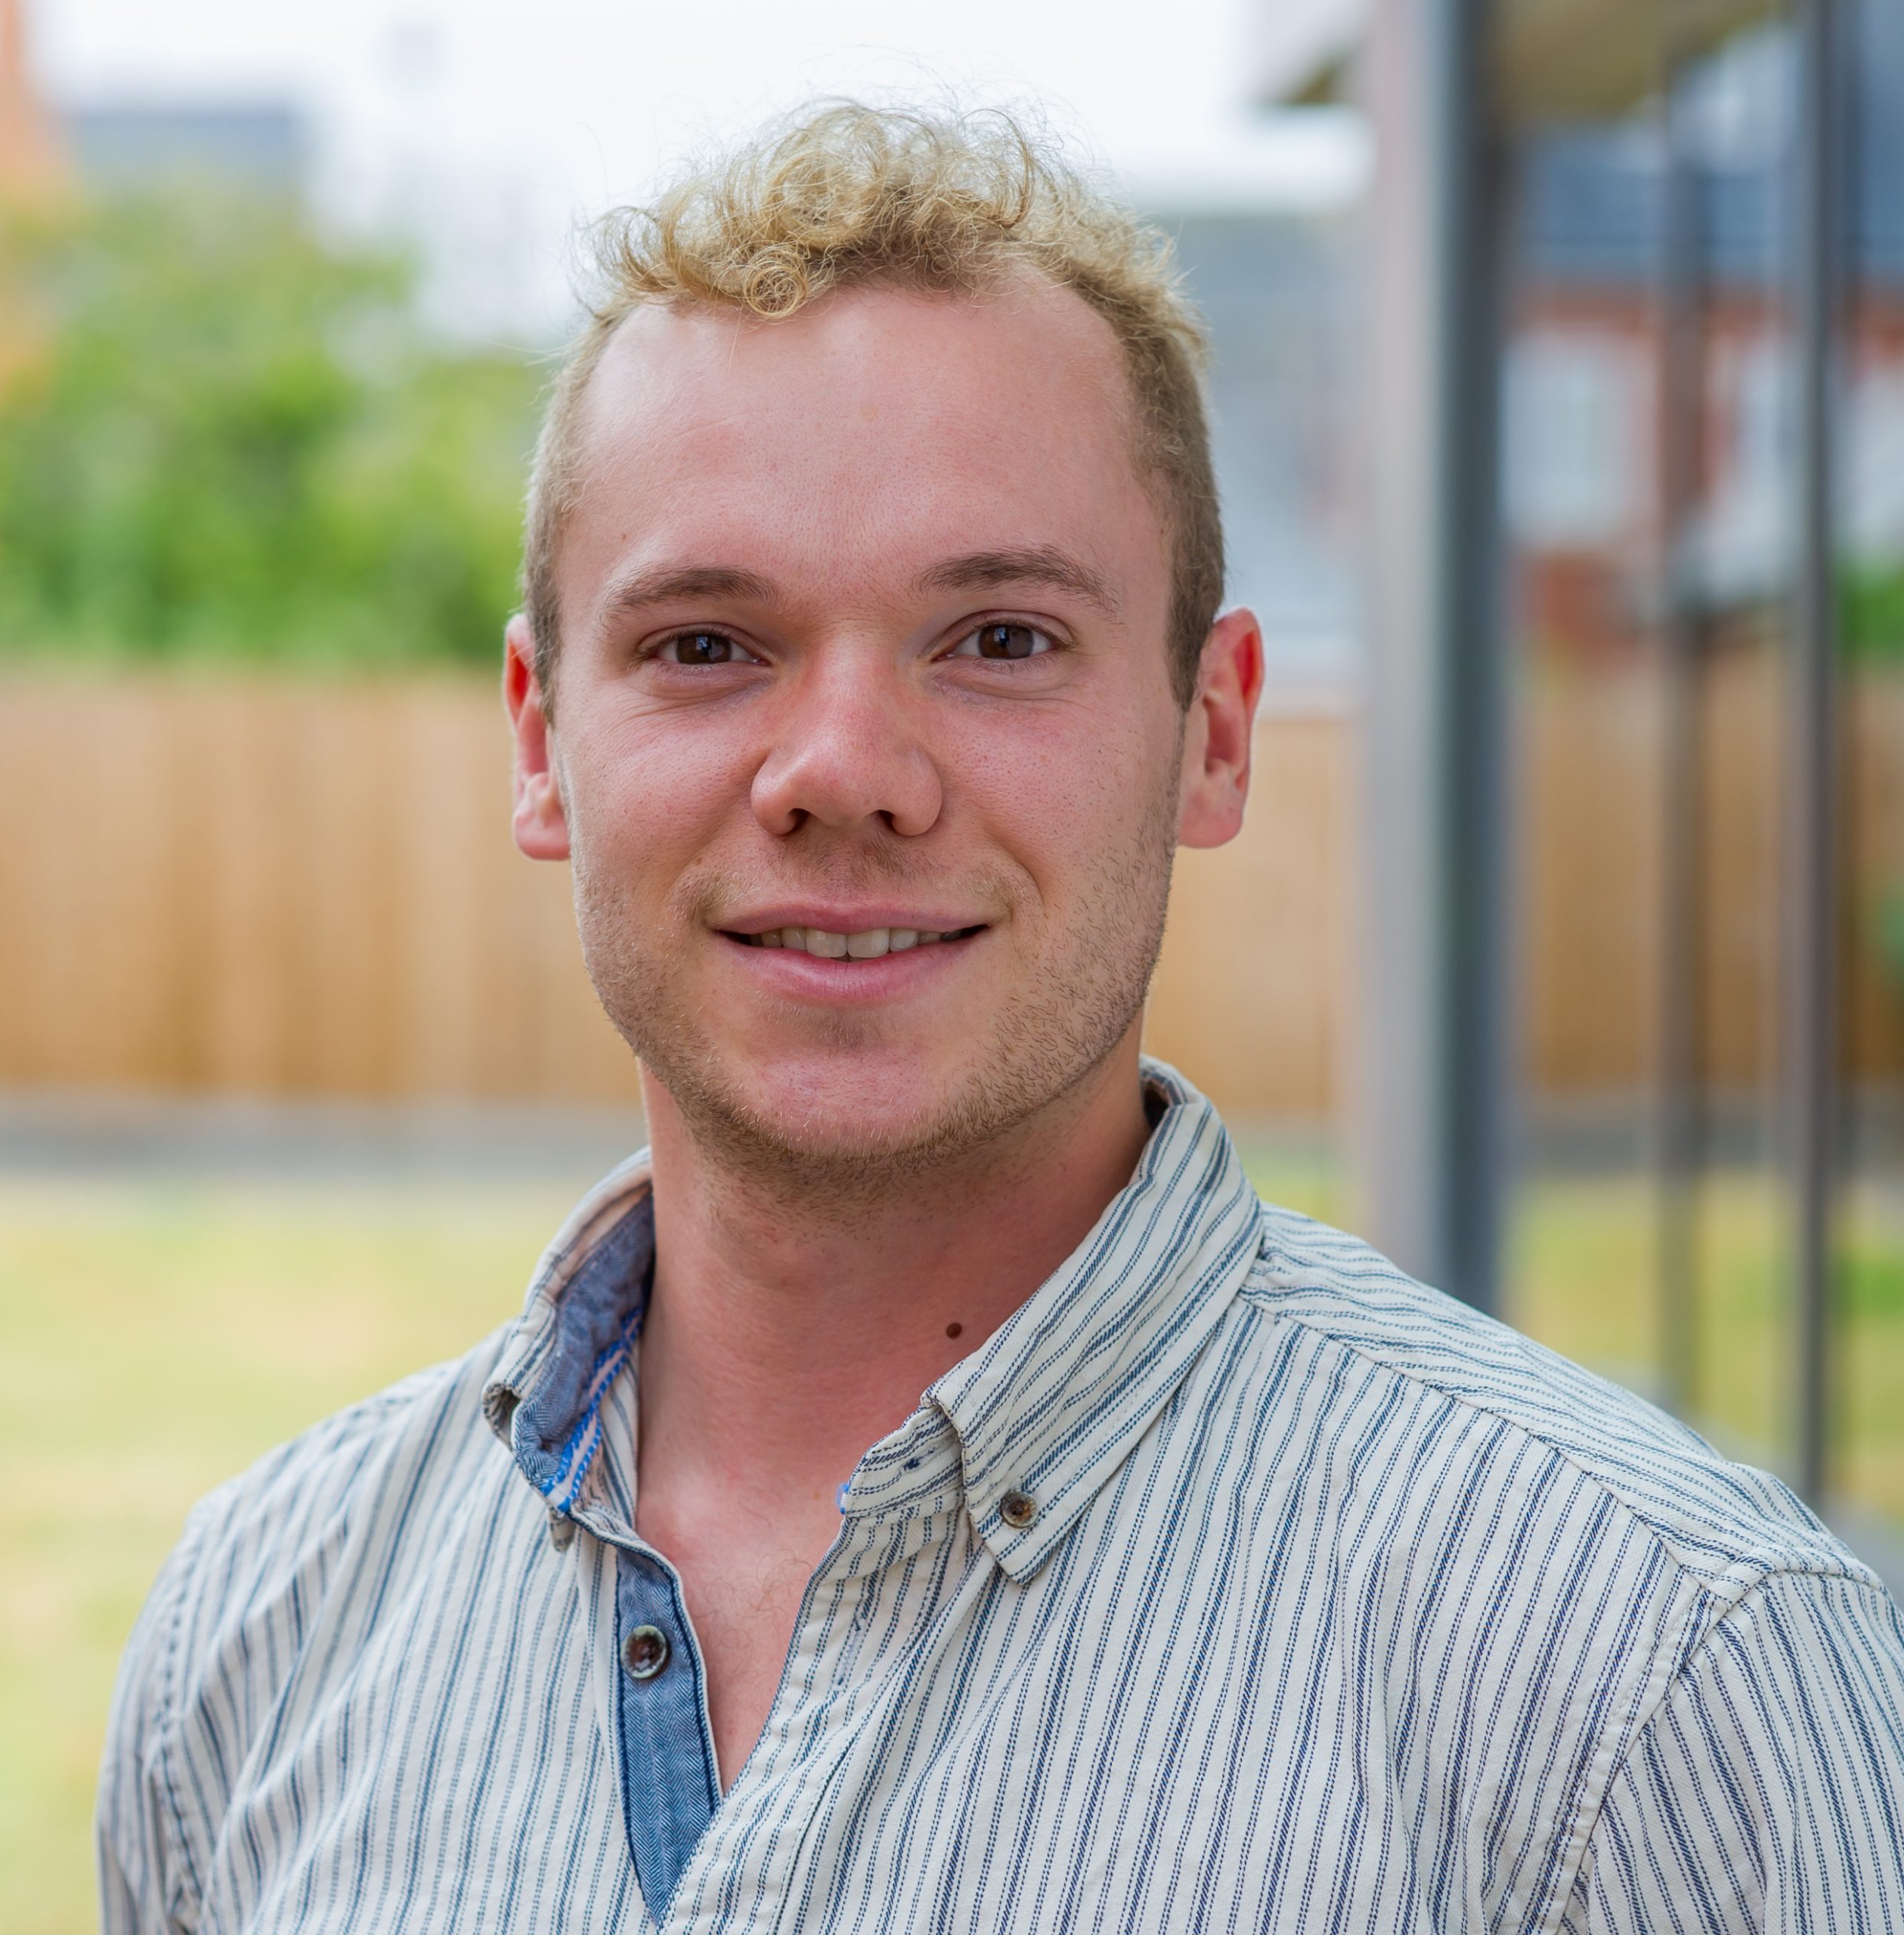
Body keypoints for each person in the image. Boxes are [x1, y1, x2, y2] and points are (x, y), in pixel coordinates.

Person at [98, 103, 1904, 1933]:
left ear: (1212, 731)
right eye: (706, 644)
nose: (843, 770)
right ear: (538, 736)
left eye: (999, 639)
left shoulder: (1660, 1681)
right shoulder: (258, 1637)